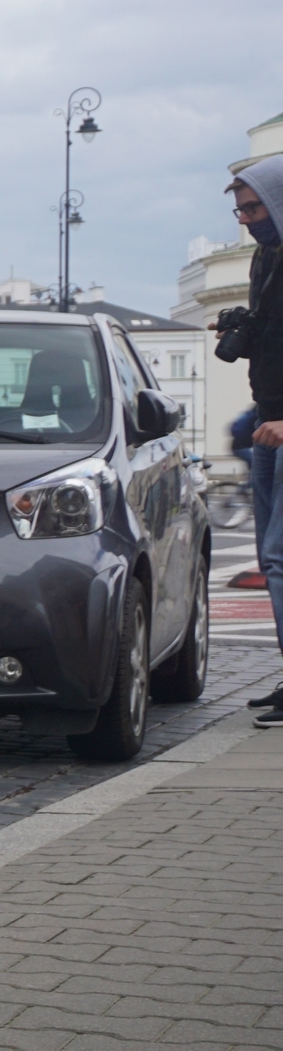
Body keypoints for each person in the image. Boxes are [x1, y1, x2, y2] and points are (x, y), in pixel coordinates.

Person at [231, 156, 283, 724]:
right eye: (241, 210)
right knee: (273, 561)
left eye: (254, 207)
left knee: (280, 556)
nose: (246, 219)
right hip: (267, 425)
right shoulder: (265, 258)